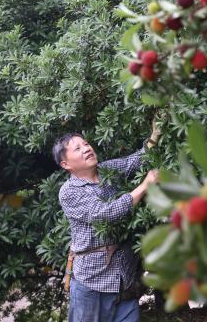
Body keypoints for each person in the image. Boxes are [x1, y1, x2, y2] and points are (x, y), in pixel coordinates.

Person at [53, 122, 160, 322]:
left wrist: (154, 135)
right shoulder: (69, 192)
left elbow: (134, 161)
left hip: (123, 279)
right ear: (65, 164)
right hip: (93, 283)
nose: (86, 148)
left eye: (86, 144)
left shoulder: (107, 170)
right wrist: (144, 185)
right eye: (78, 148)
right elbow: (105, 213)